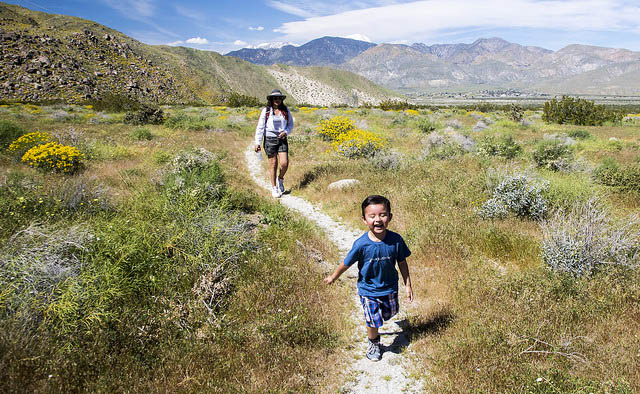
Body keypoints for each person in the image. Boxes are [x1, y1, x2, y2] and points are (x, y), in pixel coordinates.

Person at [324, 195, 413, 361]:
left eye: (382, 215)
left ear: (390, 217)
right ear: (364, 220)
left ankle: (380, 321)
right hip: (368, 290)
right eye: (372, 216)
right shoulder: (361, 244)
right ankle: (373, 342)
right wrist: (333, 277)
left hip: (390, 287)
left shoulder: (396, 240)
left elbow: (402, 262)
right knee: (373, 322)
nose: (378, 219)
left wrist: (408, 285)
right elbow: (346, 263)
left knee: (390, 313)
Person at [254, 89, 294, 198]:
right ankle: (274, 187)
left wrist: (285, 132)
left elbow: (291, 125)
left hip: (282, 139)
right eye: (275, 98)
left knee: (284, 163)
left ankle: (280, 178)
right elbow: (260, 127)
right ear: (271, 99)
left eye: (279, 98)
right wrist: (257, 142)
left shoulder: (285, 110)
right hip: (269, 139)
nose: (277, 100)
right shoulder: (266, 111)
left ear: (282, 99)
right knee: (273, 164)